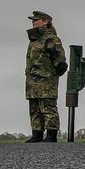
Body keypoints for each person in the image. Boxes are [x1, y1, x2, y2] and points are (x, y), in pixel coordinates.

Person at [25, 11, 68, 143]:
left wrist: (50, 75)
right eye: (33, 20)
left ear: (45, 22)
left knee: (48, 107)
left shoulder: (51, 39)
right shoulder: (34, 41)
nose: (33, 21)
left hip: (46, 80)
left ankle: (51, 135)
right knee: (35, 108)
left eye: (36, 19)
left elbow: (60, 61)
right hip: (32, 80)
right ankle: (36, 134)